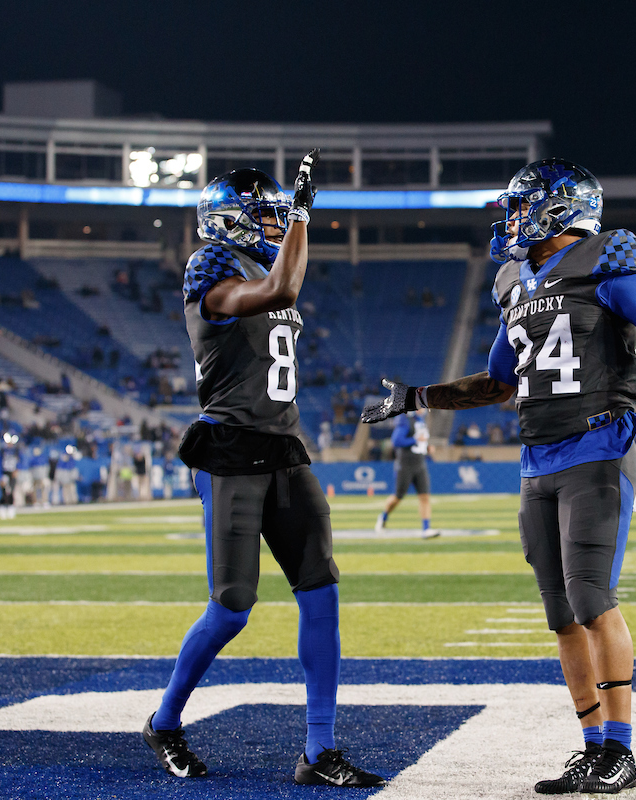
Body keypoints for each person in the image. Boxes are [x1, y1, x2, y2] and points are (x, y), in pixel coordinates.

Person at [362, 158, 636, 795]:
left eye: (523, 205)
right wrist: (417, 398)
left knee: (592, 601)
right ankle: (591, 749)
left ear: (559, 207)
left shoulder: (607, 266)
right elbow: (499, 383)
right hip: (536, 460)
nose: (511, 218)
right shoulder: (516, 283)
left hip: (596, 450)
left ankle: (621, 752)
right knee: (562, 615)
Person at [143, 152, 383, 788]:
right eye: (266, 213)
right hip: (230, 450)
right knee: (232, 607)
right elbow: (280, 290)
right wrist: (302, 214)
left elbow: (282, 281)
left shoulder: (259, 260)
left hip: (285, 446)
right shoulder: (210, 266)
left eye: (281, 214)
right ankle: (165, 720)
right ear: (230, 221)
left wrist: (294, 222)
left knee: (322, 591)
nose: (276, 222)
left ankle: (319, 749)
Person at [376, 409, 433, 534]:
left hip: (420, 463)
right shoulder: (405, 420)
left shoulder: (421, 421)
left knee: (424, 496)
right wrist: (416, 440)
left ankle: (426, 528)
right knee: (398, 497)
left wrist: (427, 447)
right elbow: (396, 441)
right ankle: (383, 516)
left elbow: (420, 441)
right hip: (405, 464)